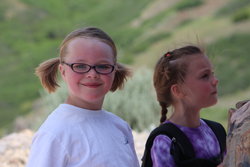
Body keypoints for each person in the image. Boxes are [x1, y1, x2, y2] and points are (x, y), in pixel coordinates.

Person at [26, 27, 140, 167]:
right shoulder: (55, 133)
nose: (92, 74)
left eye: (103, 66)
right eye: (80, 66)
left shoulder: (120, 127)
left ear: (114, 70)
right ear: (63, 71)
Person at [141, 45, 226, 167]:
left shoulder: (217, 131)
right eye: (204, 76)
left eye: (212, 74)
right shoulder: (164, 141)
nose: (215, 80)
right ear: (178, 90)